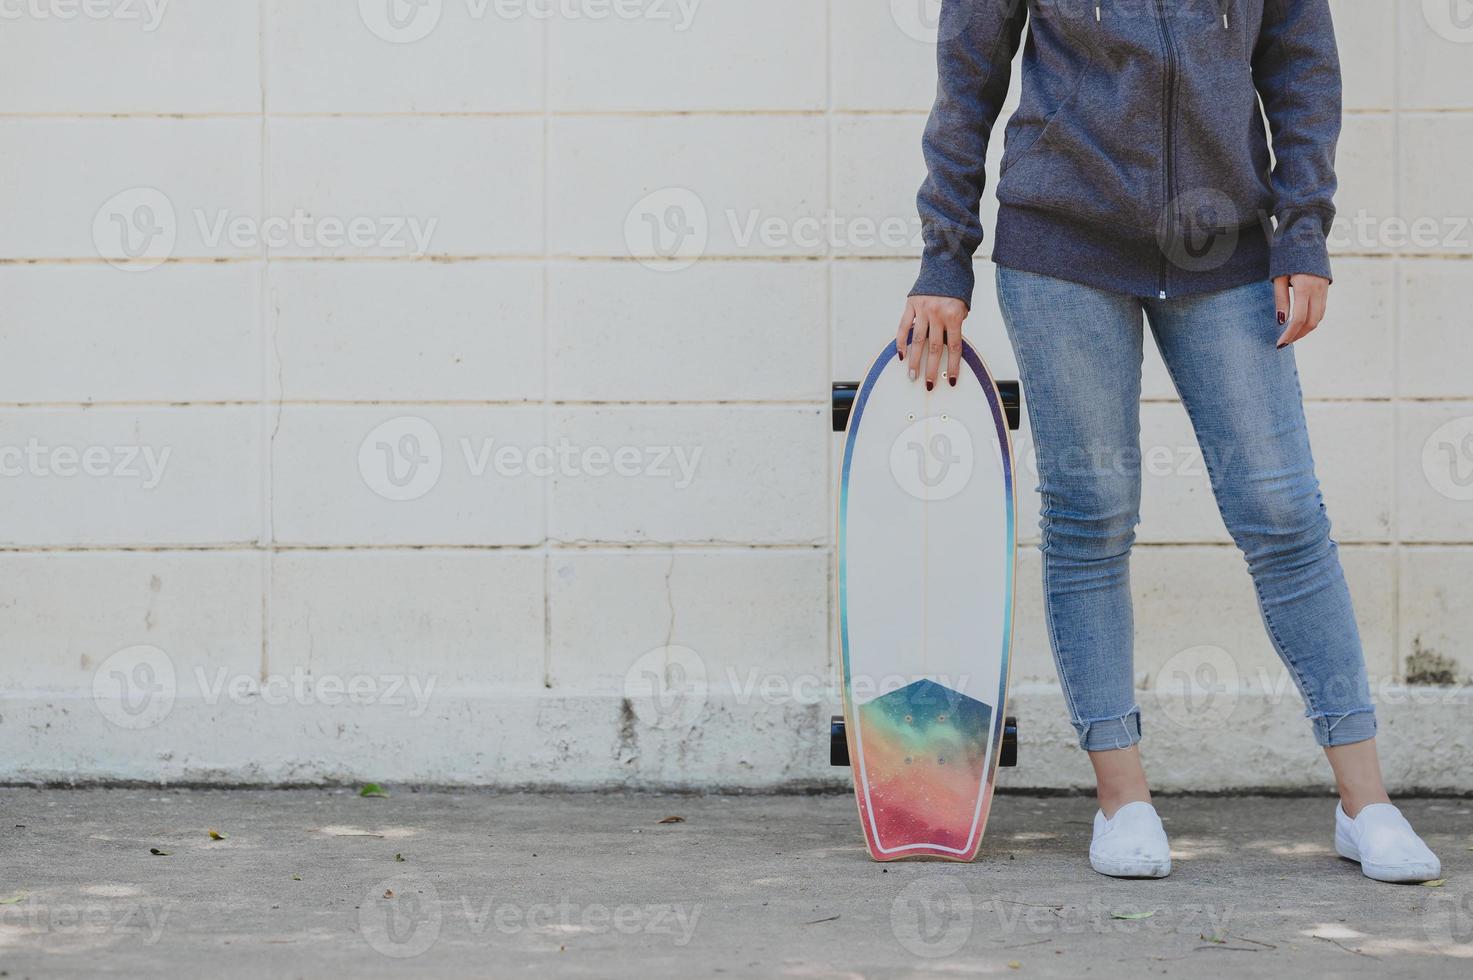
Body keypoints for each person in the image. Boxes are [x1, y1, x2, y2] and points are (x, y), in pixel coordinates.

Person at [899, 0, 1440, 882]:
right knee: (1090, 516)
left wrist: (1302, 229)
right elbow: (968, 81)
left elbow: (1300, 62)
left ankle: (1365, 804)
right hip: (1059, 249)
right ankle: (1123, 799)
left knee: (1280, 512)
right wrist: (942, 259)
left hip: (1223, 250)